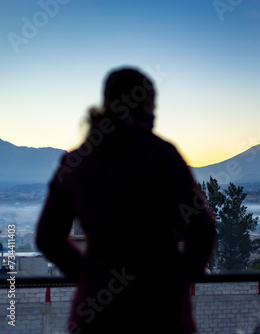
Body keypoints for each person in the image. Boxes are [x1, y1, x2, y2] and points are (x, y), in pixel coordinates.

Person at [36, 67, 217, 334]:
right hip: (161, 312)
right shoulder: (162, 156)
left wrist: (90, 275)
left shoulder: (76, 163)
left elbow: (48, 237)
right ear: (145, 103)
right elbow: (203, 231)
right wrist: (175, 278)